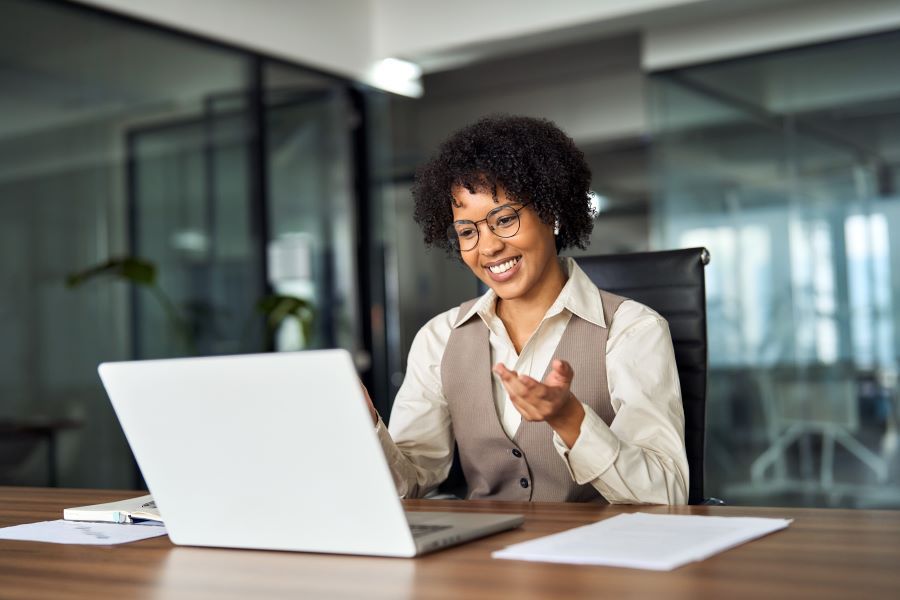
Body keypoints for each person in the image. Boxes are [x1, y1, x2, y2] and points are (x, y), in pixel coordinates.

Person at [363, 115, 688, 504]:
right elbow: (411, 484)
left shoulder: (632, 329)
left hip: (598, 557)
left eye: (504, 220)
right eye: (468, 231)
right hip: (483, 558)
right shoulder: (440, 338)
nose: (488, 248)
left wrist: (570, 419)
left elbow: (667, 496)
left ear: (551, 213)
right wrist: (366, 427)